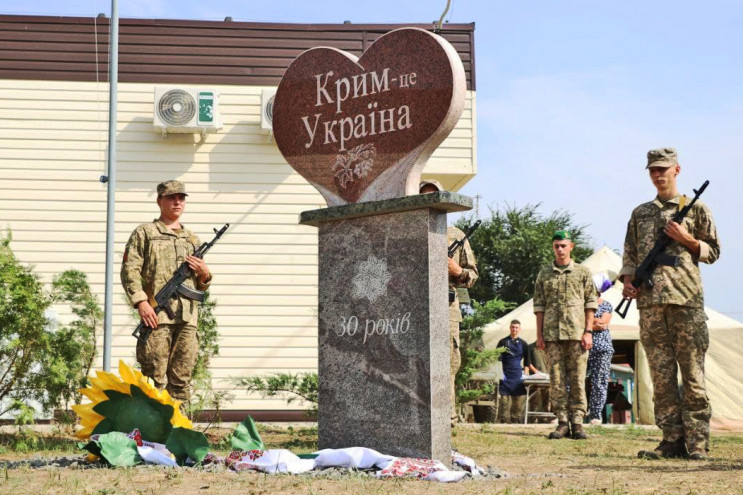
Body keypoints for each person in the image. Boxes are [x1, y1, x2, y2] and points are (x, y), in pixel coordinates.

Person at [620, 148, 720, 460]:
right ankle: (671, 440)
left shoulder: (696, 208)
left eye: (664, 169)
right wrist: (627, 280)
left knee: (692, 375)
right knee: (661, 377)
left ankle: (698, 444)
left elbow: (713, 251)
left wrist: (686, 238)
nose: (658, 174)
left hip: (685, 302)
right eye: (653, 170)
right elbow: (630, 253)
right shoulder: (640, 213)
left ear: (677, 170)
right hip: (650, 307)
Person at [121, 180, 213, 406]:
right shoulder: (145, 233)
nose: (177, 202)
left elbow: (201, 284)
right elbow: (129, 269)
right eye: (171, 197)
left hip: (188, 318)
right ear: (159, 200)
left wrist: (205, 274)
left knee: (181, 380)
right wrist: (141, 302)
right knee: (154, 379)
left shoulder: (192, 239)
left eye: (181, 198)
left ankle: (179, 434)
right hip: (157, 316)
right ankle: (149, 438)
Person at [419, 179, 479, 424]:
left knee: (449, 362)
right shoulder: (407, 231)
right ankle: (421, 416)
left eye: (434, 196)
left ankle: (448, 417)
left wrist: (457, 270)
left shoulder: (456, 236)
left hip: (447, 308)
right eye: (425, 197)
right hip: (417, 307)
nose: (430, 202)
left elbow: (473, 276)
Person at [534, 230, 597, 440]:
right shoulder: (544, 274)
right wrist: (539, 335)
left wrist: (588, 332)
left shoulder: (583, 272)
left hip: (577, 335)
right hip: (552, 336)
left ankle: (578, 422)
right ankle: (562, 422)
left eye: (563, 245)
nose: (560, 250)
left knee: (578, 379)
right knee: (557, 381)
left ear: (572, 246)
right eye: (556, 246)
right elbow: (539, 306)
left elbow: (591, 303)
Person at [496, 319, 539, 423]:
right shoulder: (503, 342)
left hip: (518, 375)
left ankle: (515, 421)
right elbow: (497, 356)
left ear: (519, 329)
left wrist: (526, 371)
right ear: (510, 328)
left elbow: (527, 360)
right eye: (512, 327)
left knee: (517, 402)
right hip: (506, 374)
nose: (514, 329)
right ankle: (504, 421)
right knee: (504, 402)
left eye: (516, 327)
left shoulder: (524, 344)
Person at [586, 272, 615, 425]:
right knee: (574, 380)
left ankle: (595, 415)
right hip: (584, 346)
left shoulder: (606, 305)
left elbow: (603, 323)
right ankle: (574, 412)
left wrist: (588, 322)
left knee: (599, 381)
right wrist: (594, 322)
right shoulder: (582, 305)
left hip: (602, 347)